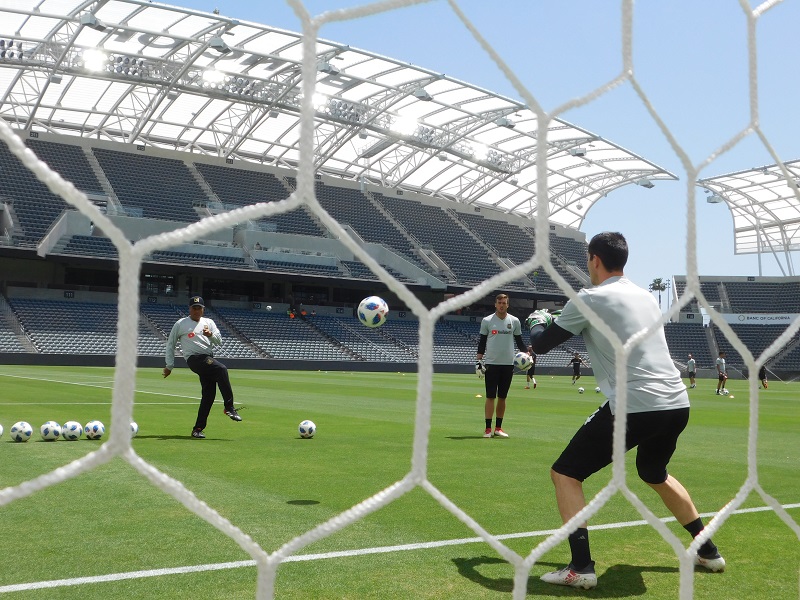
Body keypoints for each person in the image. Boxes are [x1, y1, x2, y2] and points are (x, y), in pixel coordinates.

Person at [528, 232, 725, 590]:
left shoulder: (589, 297)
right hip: (676, 402)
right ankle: (708, 551)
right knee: (654, 471)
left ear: (594, 260)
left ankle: (581, 567)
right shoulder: (645, 297)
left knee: (566, 473)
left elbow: (540, 345)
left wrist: (537, 320)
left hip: (636, 405)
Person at [163, 296, 243, 439]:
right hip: (194, 359)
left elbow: (219, 341)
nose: (196, 311)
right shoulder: (181, 323)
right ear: (189, 309)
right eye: (194, 308)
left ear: (203, 309)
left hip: (208, 358)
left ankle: (197, 429)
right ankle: (229, 407)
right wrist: (169, 365)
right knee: (222, 369)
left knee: (209, 395)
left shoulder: (209, 322)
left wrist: (210, 334)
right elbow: (171, 344)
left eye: (199, 308)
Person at [476, 293, 529, 438]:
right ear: (495, 304)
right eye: (499, 302)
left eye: (504, 303)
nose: (501, 305)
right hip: (491, 364)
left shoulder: (514, 321)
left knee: (503, 397)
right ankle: (487, 429)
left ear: (508, 304)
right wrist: (478, 361)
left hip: (508, 365)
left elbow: (519, 342)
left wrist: (527, 354)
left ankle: (498, 428)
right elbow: (481, 342)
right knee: (490, 396)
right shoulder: (487, 321)